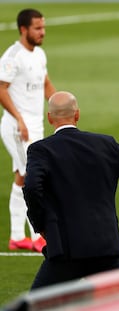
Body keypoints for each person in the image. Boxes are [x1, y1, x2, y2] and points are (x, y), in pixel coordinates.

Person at [23, 91, 119, 290]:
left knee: (37, 304)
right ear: (77, 115)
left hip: (66, 250)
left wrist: (40, 225)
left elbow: (32, 187)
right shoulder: (105, 143)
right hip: (105, 247)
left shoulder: (41, 150)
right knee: (118, 304)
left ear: (49, 118)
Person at [0, 8, 56, 252]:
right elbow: (1, 89)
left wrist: (59, 107)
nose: (42, 32)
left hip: (35, 125)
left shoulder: (39, 54)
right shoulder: (13, 57)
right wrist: (19, 119)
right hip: (17, 128)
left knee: (23, 177)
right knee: (34, 177)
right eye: (37, 28)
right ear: (23, 29)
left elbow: (45, 83)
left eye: (43, 27)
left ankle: (16, 236)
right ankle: (37, 236)